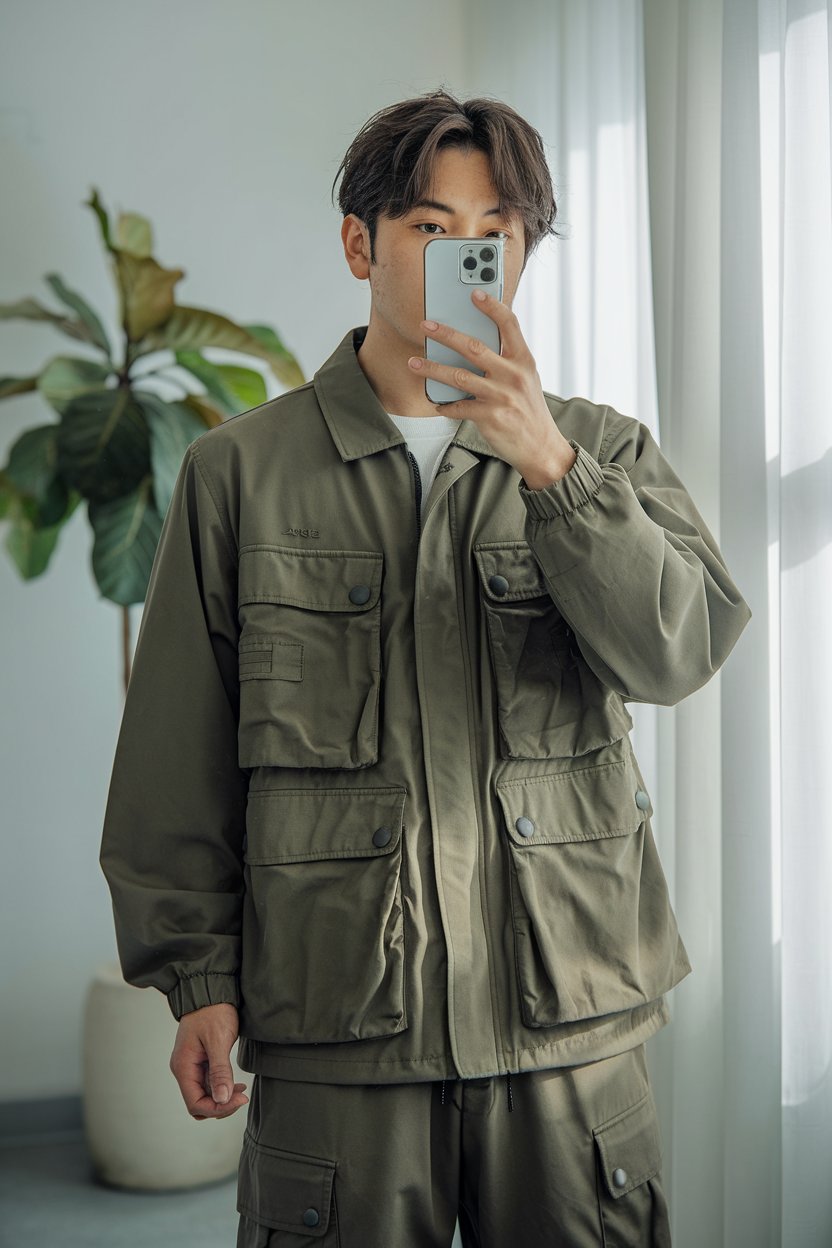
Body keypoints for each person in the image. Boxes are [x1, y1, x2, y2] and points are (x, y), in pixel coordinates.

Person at [100, 88, 751, 1246]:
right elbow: (174, 757)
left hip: (570, 1022)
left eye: (497, 231)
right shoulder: (237, 473)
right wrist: (195, 978)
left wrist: (552, 471)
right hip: (340, 1028)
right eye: (429, 229)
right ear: (360, 243)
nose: (470, 257)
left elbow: (680, 650)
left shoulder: (597, 450)